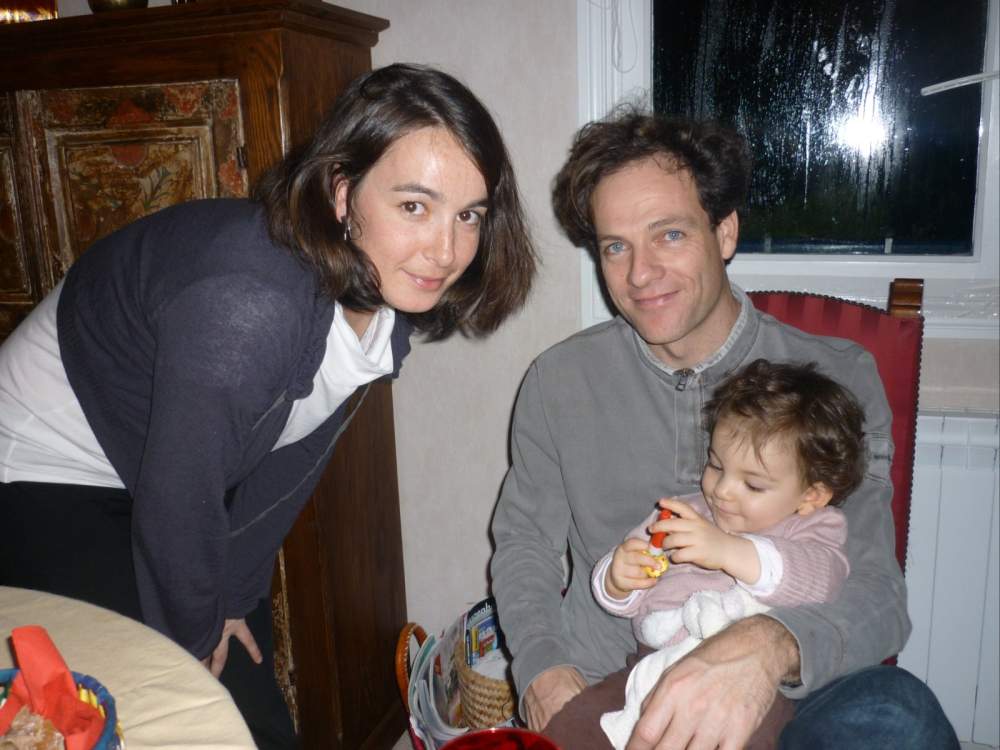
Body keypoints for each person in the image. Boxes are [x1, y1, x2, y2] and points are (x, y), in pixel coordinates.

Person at [0, 63, 536, 750]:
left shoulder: (380, 303)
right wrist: (189, 644)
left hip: (157, 458)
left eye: (469, 215)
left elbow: (294, 455)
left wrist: (233, 595)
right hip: (45, 462)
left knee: (252, 710)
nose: (446, 250)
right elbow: (179, 493)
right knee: (163, 707)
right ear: (341, 193)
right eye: (414, 207)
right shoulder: (251, 305)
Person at [490, 108, 958, 749]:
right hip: (616, 685)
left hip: (795, 681)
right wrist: (542, 668)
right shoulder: (558, 381)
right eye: (616, 246)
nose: (640, 274)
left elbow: (877, 591)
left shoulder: (839, 377)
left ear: (726, 231)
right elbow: (523, 545)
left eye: (669, 235)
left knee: (902, 717)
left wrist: (766, 647)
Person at [595, 359, 863, 748]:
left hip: (745, 684)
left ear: (811, 495)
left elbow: (823, 579)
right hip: (648, 665)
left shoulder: (813, 526)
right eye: (716, 465)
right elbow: (627, 596)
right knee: (573, 724)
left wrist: (728, 550)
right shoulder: (680, 512)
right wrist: (617, 580)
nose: (721, 491)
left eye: (753, 485)